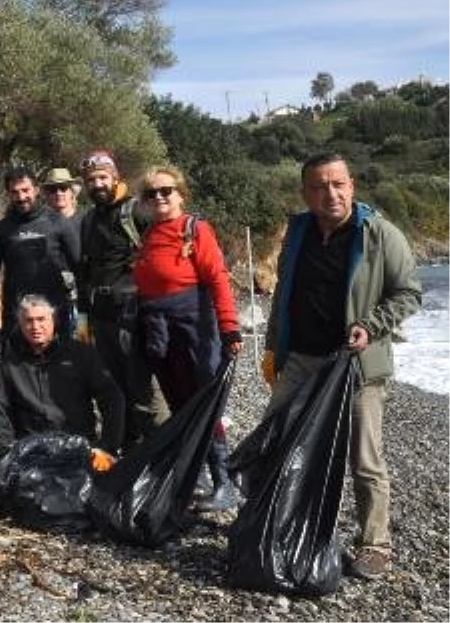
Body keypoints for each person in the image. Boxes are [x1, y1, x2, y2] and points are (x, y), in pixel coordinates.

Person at [262, 151, 421, 579]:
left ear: (351, 185)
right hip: (300, 359)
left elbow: (408, 293)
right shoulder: (297, 233)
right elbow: (284, 293)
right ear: (306, 193)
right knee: (277, 441)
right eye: (318, 186)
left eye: (338, 184)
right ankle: (279, 525)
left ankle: (375, 545)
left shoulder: (378, 233)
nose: (330, 193)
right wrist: (274, 347)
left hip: (356, 366)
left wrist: (371, 326)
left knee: (364, 459)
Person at [132, 163, 243, 511]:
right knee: (180, 403)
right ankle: (196, 476)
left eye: (167, 191)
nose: (160, 197)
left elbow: (218, 279)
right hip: (161, 329)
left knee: (204, 403)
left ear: (181, 194)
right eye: (152, 194)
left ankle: (225, 483)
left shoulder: (195, 229)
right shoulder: (149, 235)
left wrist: (230, 328)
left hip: (195, 327)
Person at [74, 149, 159, 451]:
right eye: (90, 180)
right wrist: (82, 316)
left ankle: (158, 447)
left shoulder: (137, 210)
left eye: (102, 177)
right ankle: (128, 443)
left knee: (142, 387)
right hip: (101, 315)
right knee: (115, 385)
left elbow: (161, 253)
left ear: (115, 177)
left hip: (134, 312)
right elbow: (84, 269)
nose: (97, 184)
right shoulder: (88, 220)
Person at [0, 295, 124, 470]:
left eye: (41, 319)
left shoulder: (81, 355)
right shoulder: (7, 366)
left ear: (54, 320)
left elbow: (111, 397)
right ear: (20, 325)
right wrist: (4, 456)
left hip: (81, 450)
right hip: (31, 456)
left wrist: (108, 446)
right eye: (28, 321)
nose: (35, 326)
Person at [0, 166, 80, 343]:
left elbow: (80, 267)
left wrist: (85, 312)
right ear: (8, 194)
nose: (21, 197)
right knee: (15, 368)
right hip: (16, 316)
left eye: (25, 190)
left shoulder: (59, 224)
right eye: (15, 192)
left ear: (36, 189)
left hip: (54, 313)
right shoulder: (1, 230)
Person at [43, 167, 83, 233]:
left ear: (72, 192)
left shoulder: (85, 221)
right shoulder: (42, 224)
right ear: (48, 195)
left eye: (63, 188)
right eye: (53, 189)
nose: (58, 193)